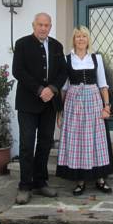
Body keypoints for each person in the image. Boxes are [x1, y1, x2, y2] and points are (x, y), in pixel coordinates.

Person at [12, 12, 68, 205]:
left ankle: (40, 182)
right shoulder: (22, 44)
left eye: (46, 25)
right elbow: (18, 71)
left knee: (45, 144)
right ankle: (25, 186)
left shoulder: (57, 46)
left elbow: (63, 72)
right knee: (27, 145)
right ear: (33, 25)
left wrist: (52, 89)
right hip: (28, 103)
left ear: (50, 27)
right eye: (40, 24)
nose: (43, 28)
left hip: (50, 104)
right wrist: (39, 90)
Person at [56, 26, 113, 195]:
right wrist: (59, 113)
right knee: (77, 140)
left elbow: (103, 85)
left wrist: (107, 106)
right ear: (74, 40)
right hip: (73, 103)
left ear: (88, 39)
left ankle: (100, 179)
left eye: (84, 36)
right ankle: (80, 180)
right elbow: (64, 88)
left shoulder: (96, 58)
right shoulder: (67, 59)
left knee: (96, 139)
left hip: (94, 102)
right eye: (78, 36)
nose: (81, 39)